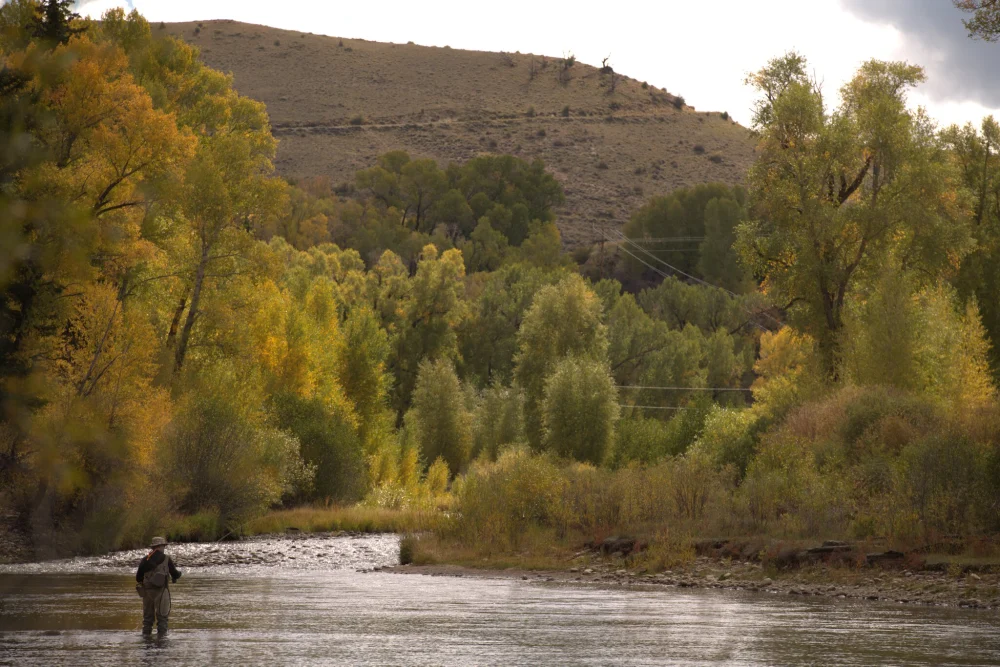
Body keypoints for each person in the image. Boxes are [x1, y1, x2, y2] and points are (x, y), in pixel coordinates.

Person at [135, 536, 182, 636]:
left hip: (147, 593)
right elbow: (175, 574)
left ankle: (146, 641)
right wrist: (179, 574)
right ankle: (161, 643)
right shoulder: (166, 559)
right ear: (160, 546)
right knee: (162, 618)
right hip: (161, 592)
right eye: (163, 546)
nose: (164, 548)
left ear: (153, 547)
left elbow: (138, 578)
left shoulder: (145, 560)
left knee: (147, 620)